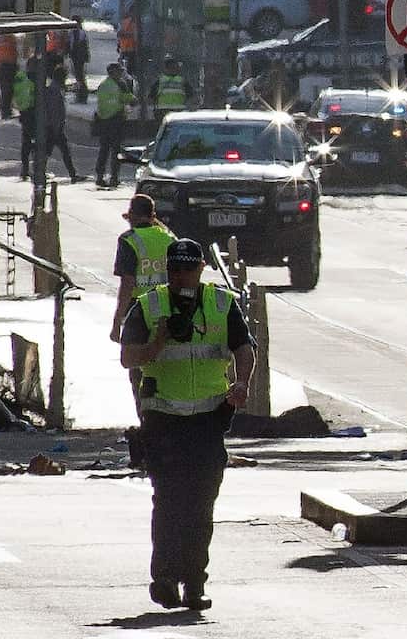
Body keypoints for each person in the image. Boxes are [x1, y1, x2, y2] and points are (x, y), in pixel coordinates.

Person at [120, 238, 256, 611]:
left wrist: (241, 384)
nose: (182, 277)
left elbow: (244, 349)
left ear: (200, 269)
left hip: (208, 421)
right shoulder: (149, 306)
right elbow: (128, 358)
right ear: (169, 271)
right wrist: (157, 343)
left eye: (189, 269)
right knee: (168, 502)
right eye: (176, 270)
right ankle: (164, 579)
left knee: (201, 505)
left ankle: (194, 583)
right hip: (163, 421)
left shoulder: (220, 303)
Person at [110, 194, 177, 413]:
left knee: (137, 368)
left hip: (139, 314)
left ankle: (146, 416)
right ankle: (167, 415)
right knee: (167, 367)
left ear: (131, 217)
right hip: (168, 311)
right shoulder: (169, 238)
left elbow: (127, 284)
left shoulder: (129, 240)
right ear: (152, 216)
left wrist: (117, 322)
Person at [96, 63, 135, 187]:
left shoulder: (103, 85)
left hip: (104, 121)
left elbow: (101, 103)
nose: (120, 74)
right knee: (116, 150)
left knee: (104, 150)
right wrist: (131, 97)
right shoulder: (120, 84)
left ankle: (100, 176)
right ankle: (114, 177)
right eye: (119, 71)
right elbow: (128, 99)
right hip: (116, 120)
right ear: (113, 72)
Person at [44, 64, 81, 182]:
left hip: (54, 126)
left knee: (60, 151)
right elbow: (54, 110)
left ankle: (73, 174)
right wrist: (56, 127)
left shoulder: (54, 88)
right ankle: (72, 174)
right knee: (51, 151)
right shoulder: (54, 90)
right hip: (54, 127)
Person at [149, 55, 194, 119]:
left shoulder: (159, 81)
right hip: (179, 111)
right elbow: (191, 96)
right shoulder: (182, 81)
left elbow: (151, 97)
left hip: (163, 111)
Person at [13, 62, 37, 180]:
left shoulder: (21, 78)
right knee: (31, 143)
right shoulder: (30, 79)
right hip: (30, 113)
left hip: (27, 112)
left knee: (27, 142)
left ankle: (26, 169)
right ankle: (29, 169)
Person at [0, 34, 19, 118]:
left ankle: (5, 109)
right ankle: (6, 110)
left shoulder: (0, 38)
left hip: (3, 66)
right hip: (9, 66)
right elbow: (15, 52)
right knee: (8, 89)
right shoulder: (11, 38)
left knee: (5, 89)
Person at [68, 16, 90, 104]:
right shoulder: (73, 33)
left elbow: (83, 46)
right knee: (79, 77)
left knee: (79, 77)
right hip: (75, 57)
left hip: (79, 58)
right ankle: (80, 95)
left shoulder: (80, 33)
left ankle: (81, 96)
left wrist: (85, 57)